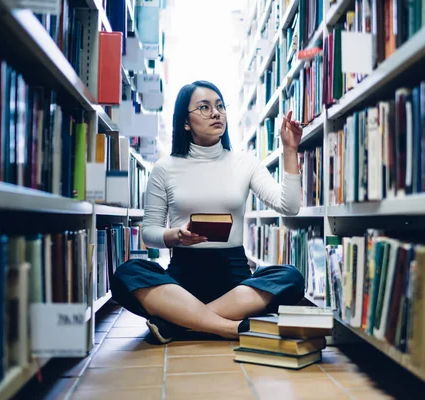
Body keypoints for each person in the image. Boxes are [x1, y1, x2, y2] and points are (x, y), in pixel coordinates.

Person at [111, 80, 305, 343]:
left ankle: (177, 323)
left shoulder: (245, 162)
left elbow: (289, 206)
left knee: (291, 278)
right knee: (126, 273)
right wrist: (175, 236)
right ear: (185, 122)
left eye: (220, 106)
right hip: (181, 282)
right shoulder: (165, 167)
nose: (216, 113)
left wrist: (290, 150)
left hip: (235, 281)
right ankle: (229, 328)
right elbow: (149, 233)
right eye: (204, 107)